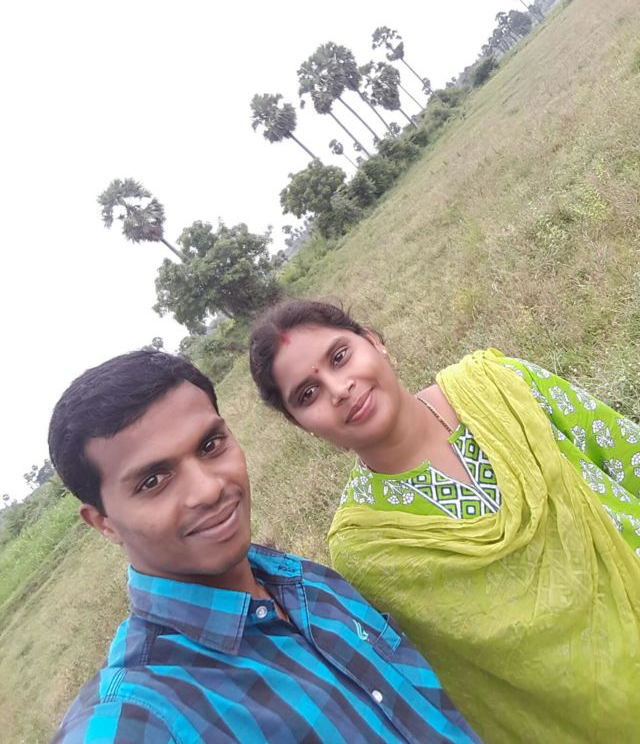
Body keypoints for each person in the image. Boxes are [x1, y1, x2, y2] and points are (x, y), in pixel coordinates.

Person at [249, 299, 640, 743]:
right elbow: (468, 678)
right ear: (303, 426)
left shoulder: (499, 386)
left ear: (374, 342)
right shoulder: (367, 545)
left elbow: (626, 455)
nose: (338, 389)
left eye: (340, 356)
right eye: (308, 394)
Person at [48, 348, 476, 743]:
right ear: (104, 523)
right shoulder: (141, 712)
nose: (209, 489)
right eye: (153, 481)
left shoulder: (307, 581)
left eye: (210, 445)